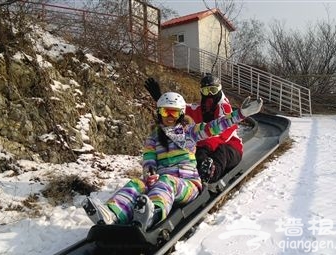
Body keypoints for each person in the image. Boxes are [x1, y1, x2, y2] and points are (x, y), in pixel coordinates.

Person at [82, 92, 263, 231]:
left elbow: (215, 126)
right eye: (165, 111)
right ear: (159, 113)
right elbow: (149, 160)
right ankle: (112, 214)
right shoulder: (153, 138)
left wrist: (241, 114)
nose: (169, 116)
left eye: (174, 112)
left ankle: (153, 214)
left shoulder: (190, 132)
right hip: (160, 182)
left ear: (181, 114)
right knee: (136, 183)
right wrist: (150, 173)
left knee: (167, 182)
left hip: (188, 184)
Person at [144, 73, 243, 183]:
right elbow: (180, 107)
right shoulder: (200, 108)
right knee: (196, 154)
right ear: (201, 92)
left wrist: (205, 145)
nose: (209, 94)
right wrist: (160, 98)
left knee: (221, 153)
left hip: (231, 146)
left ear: (219, 90)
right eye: (206, 91)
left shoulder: (224, 108)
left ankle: (211, 174)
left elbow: (223, 131)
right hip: (205, 143)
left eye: (213, 90)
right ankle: (189, 176)